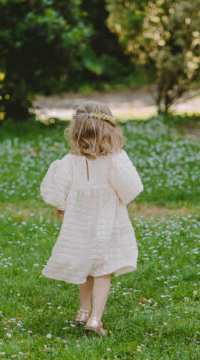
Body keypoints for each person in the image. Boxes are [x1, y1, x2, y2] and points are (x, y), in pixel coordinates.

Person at [40, 101, 143, 336]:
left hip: (79, 223)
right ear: (110, 129)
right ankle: (95, 320)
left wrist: (62, 204)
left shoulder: (70, 161)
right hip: (107, 223)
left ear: (75, 131)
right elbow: (131, 188)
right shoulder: (115, 159)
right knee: (102, 270)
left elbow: (57, 188)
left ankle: (83, 311)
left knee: (85, 267)